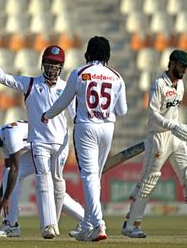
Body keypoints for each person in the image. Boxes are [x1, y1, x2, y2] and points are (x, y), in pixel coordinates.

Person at [121, 49, 187, 238]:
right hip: (158, 139)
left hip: (175, 138)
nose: (184, 70)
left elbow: (172, 112)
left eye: (186, 67)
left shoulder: (180, 85)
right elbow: (152, 113)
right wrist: (172, 125)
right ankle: (130, 225)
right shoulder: (158, 84)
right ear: (172, 63)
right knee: (148, 182)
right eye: (182, 66)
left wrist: (177, 128)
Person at [42, 36, 128, 242]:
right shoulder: (116, 76)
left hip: (85, 127)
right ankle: (87, 224)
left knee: (89, 177)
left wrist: (47, 115)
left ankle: (99, 224)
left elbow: (64, 101)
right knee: (95, 177)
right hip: (108, 127)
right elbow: (122, 110)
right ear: (108, 54)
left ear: (87, 53)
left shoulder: (79, 73)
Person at [0, 44, 75, 239]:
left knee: (58, 183)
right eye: (49, 64)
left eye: (55, 65)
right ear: (43, 64)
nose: (52, 68)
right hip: (39, 143)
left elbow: (75, 116)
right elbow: (3, 78)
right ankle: (47, 226)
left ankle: (59, 222)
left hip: (61, 144)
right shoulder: (31, 84)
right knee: (42, 180)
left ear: (61, 67)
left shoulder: (66, 87)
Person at [0, 121, 84, 238]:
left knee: (50, 189)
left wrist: (6, 198)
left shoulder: (10, 135)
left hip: (53, 146)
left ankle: (11, 225)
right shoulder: (3, 137)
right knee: (10, 174)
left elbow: (14, 170)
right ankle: (11, 224)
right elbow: (8, 171)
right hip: (41, 148)